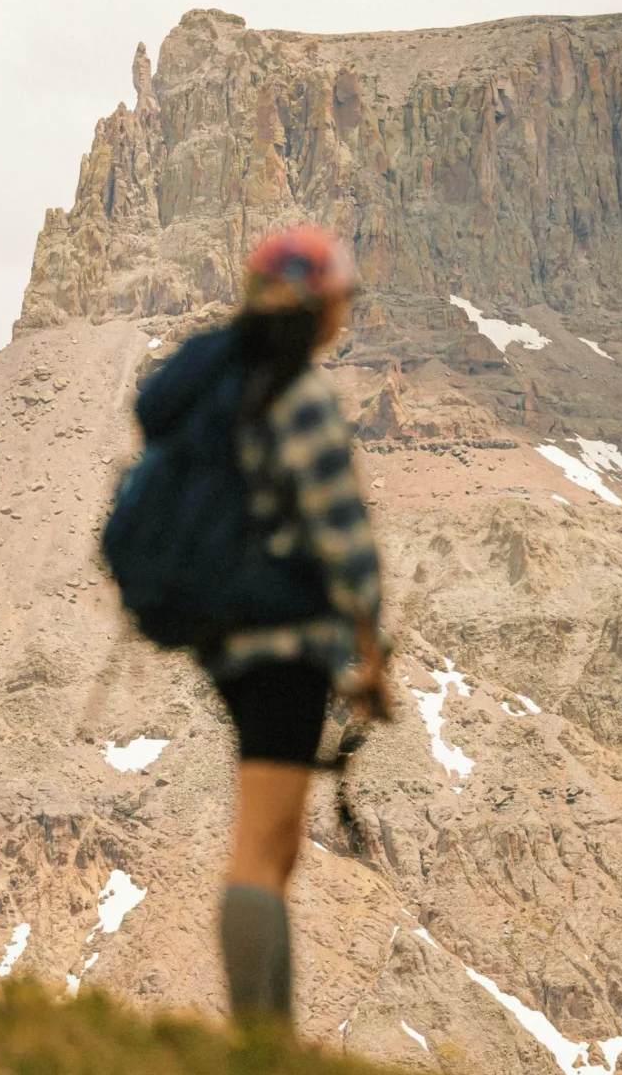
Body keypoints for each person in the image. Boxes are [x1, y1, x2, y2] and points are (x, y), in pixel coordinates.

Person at [196, 226, 390, 1029]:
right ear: (317, 307)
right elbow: (344, 544)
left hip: (233, 644)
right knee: (263, 846)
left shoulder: (226, 391)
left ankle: (268, 1037)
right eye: (340, 299)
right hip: (286, 651)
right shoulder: (298, 398)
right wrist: (371, 652)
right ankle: (262, 1041)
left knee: (273, 843)